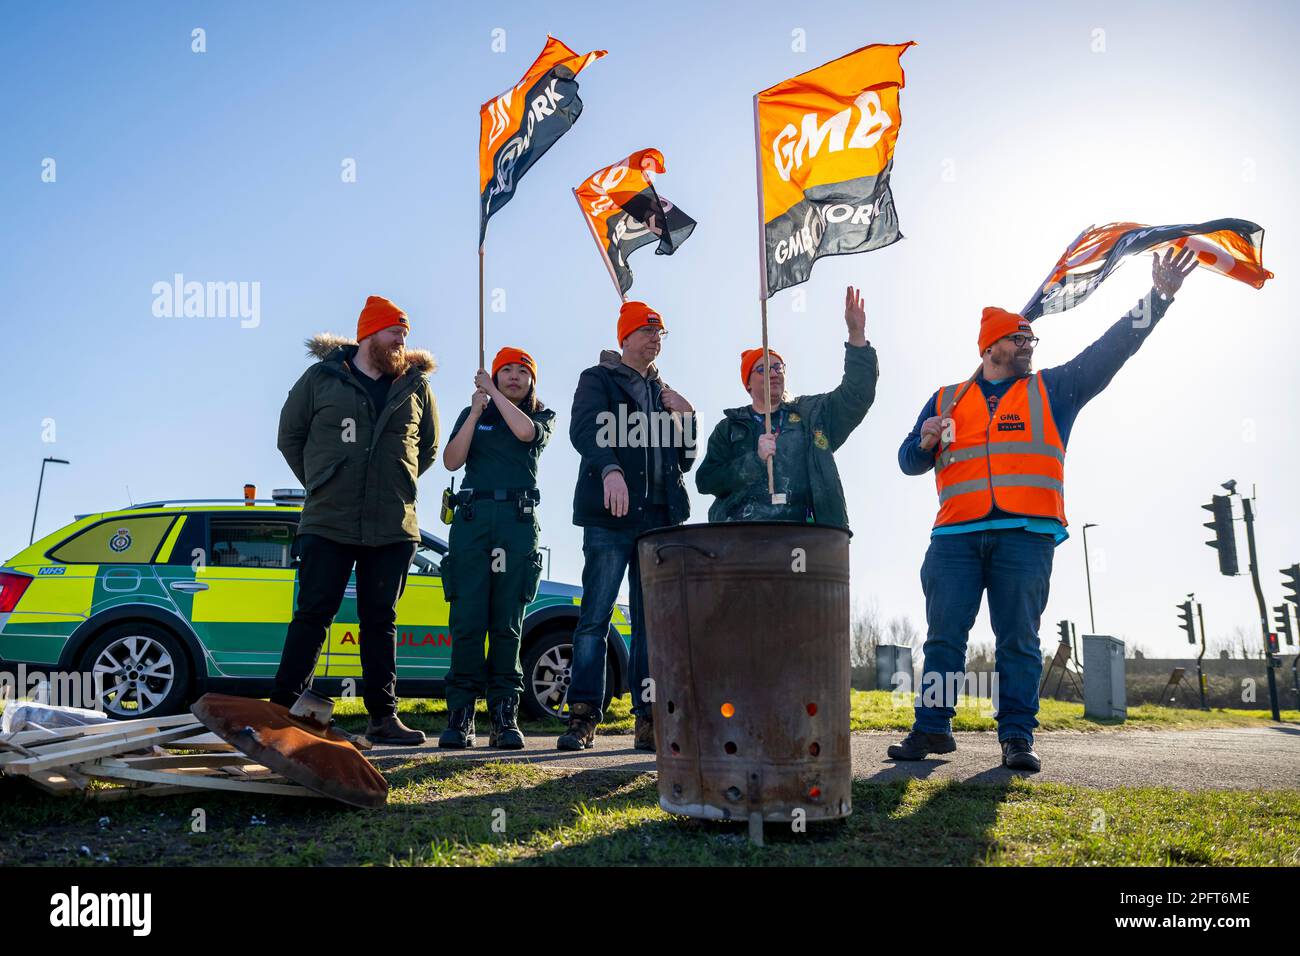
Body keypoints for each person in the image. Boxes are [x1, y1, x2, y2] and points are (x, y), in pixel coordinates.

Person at [888, 248, 1199, 771]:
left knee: (1018, 641)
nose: (1030, 346)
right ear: (992, 347)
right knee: (944, 638)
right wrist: (922, 443)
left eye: (1032, 339)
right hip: (954, 540)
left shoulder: (1054, 389)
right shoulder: (944, 398)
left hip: (1024, 537)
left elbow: (1112, 350)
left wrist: (1159, 297)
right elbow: (906, 462)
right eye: (1020, 339)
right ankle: (932, 729)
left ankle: (1016, 737)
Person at [272, 294, 439, 746]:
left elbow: (426, 450)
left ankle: (383, 718)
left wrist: (394, 486)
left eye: (405, 334)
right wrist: (324, 480)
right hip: (329, 519)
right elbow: (290, 435)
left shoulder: (415, 386)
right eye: (394, 332)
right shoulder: (320, 379)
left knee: (380, 620)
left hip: (392, 525)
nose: (402, 340)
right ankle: (281, 709)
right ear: (369, 335)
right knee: (313, 614)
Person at [561, 300, 696, 752]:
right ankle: (582, 717)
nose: (655, 339)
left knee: (650, 624)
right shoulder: (596, 379)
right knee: (594, 617)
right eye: (647, 331)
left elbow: (685, 460)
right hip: (610, 518)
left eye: (660, 333)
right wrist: (610, 470)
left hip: (658, 519)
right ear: (626, 337)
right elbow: (583, 430)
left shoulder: (666, 392)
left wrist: (688, 419)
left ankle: (649, 720)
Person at [437, 348, 554, 749]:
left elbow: (525, 434)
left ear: (531, 381)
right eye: (506, 370)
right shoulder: (477, 412)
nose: (514, 377)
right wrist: (474, 412)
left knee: (507, 624)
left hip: (516, 522)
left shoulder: (540, 415)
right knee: (468, 622)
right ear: (495, 375)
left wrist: (495, 395)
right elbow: (452, 462)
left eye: (523, 371)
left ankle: (504, 718)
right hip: (472, 520)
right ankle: (461, 716)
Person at [696, 286, 878, 526]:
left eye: (778, 368)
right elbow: (706, 480)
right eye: (762, 369)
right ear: (748, 384)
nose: (773, 373)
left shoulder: (812, 416)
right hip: (740, 540)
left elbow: (857, 395)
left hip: (805, 536)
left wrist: (856, 335)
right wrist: (754, 461)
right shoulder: (729, 428)